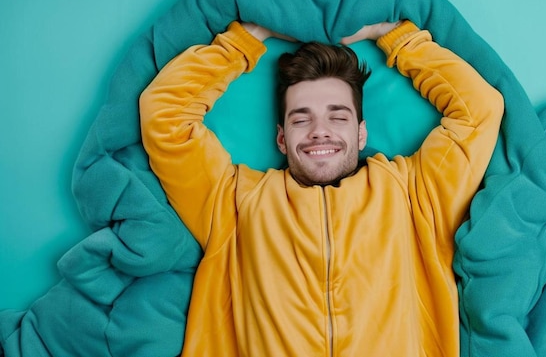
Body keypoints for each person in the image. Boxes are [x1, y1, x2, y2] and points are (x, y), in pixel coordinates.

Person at [139, 19, 503, 357]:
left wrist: (393, 36)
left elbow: (480, 109)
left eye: (337, 116)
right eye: (301, 119)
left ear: (361, 132)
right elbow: (163, 113)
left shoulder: (414, 194)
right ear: (281, 138)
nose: (319, 131)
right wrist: (247, 38)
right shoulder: (233, 200)